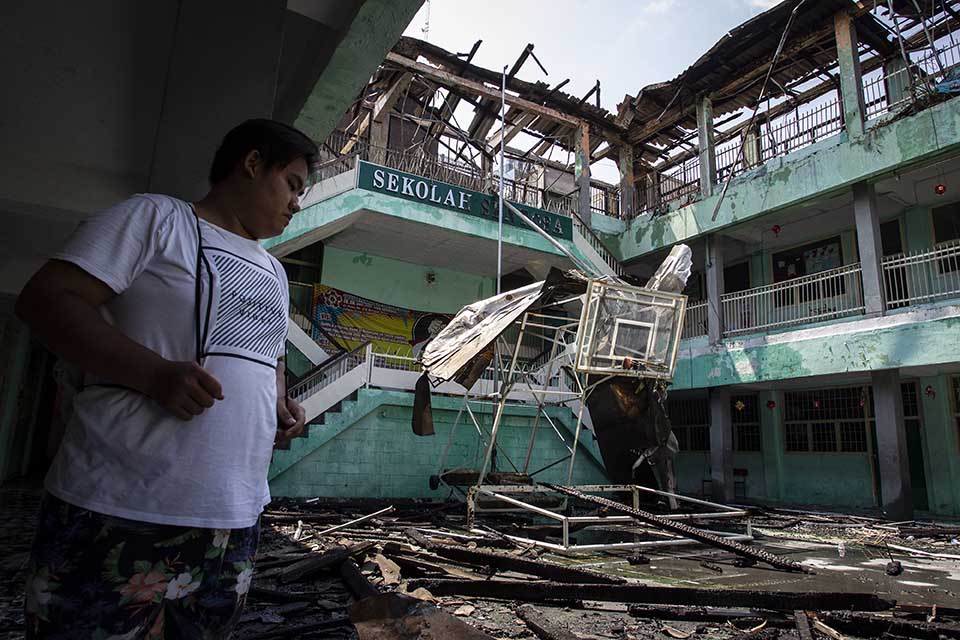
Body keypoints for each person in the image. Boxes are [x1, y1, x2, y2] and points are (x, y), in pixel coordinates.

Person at [15, 118, 316, 638]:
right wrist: (153, 374)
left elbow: (270, 361)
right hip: (118, 506)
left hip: (233, 515)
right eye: (292, 184)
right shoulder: (154, 218)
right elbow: (45, 300)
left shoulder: (274, 271)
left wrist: (280, 404)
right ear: (252, 163)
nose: (297, 203)